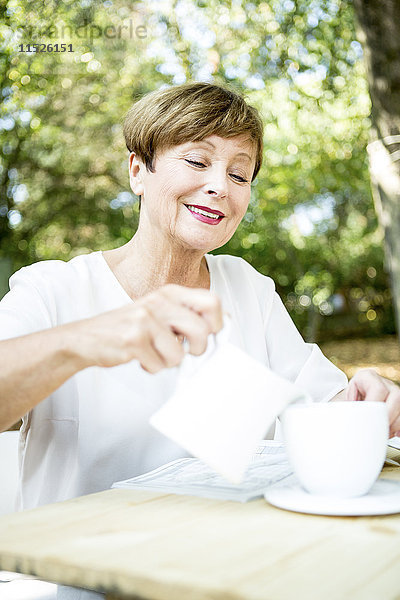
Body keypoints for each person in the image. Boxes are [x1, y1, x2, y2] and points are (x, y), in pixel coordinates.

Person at [0, 82, 398, 599]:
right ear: (138, 170)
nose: (220, 187)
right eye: (197, 161)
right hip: (78, 582)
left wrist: (369, 400)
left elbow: (324, 408)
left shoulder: (248, 288)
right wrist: (83, 340)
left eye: (239, 173)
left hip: (225, 575)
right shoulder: (52, 289)